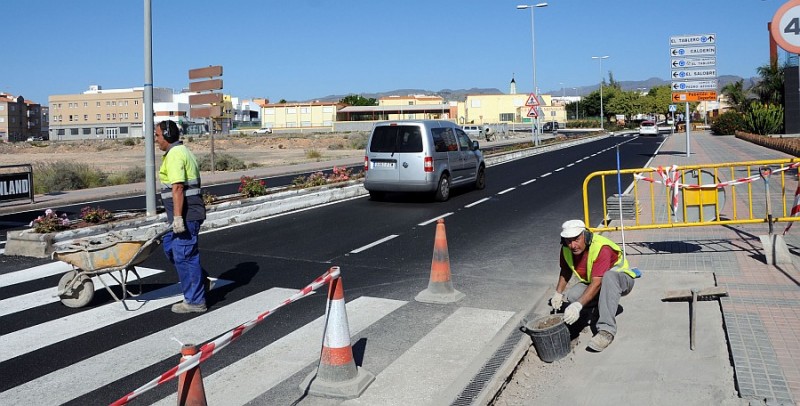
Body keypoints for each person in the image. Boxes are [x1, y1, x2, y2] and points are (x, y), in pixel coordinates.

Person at [549, 219, 638, 352]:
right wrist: (558, 293)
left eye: (576, 239)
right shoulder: (567, 249)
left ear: (586, 235)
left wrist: (578, 306)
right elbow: (566, 270)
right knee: (573, 296)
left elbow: (597, 282)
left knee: (607, 277)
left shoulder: (601, 248)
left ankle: (607, 330)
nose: (573, 245)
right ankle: (602, 306)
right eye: (568, 241)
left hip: (621, 280)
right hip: (597, 281)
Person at [155, 120, 208, 313]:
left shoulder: (176, 154)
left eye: (158, 135)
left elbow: (177, 187)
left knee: (185, 255)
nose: (156, 140)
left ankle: (195, 301)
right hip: (183, 214)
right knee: (170, 247)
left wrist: (178, 218)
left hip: (186, 215)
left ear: (167, 136)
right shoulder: (178, 152)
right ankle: (199, 281)